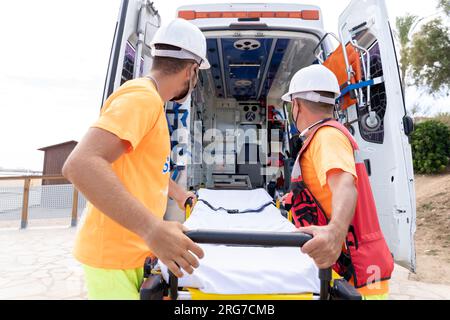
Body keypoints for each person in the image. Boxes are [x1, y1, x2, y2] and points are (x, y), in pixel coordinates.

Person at [62, 19, 211, 300]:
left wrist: (179, 195)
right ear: (192, 70)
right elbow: (80, 164)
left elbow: (146, 167)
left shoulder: (150, 101)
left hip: (130, 251)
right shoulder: (142, 98)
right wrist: (153, 228)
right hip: (114, 256)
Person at [281, 64, 393, 300]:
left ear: (297, 105)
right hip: (350, 264)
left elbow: (344, 185)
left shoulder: (327, 136)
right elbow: (326, 191)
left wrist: (334, 232)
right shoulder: (326, 135)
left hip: (358, 272)